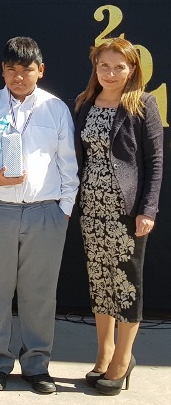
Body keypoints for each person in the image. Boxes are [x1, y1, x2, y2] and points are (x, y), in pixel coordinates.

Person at [0, 37, 79, 394]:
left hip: (45, 214)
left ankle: (37, 365)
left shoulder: (56, 109)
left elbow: (68, 164)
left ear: (41, 70)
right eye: (11, 69)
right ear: (2, 70)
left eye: (26, 70)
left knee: (39, 294)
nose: (18, 77)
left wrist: (64, 211)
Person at [74, 38, 163, 395]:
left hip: (127, 213)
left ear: (132, 69)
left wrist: (148, 210)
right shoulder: (85, 103)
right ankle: (104, 352)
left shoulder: (142, 104)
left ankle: (123, 359)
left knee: (126, 285)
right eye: (104, 66)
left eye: (119, 67)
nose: (110, 73)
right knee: (100, 283)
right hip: (91, 209)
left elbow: (155, 162)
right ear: (95, 68)